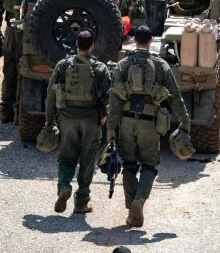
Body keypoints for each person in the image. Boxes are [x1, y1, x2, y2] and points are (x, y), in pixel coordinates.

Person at [107, 25, 191, 227]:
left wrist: (110, 128)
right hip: (149, 122)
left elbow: (115, 100)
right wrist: (185, 121)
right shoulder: (161, 65)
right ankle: (140, 200)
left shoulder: (123, 64)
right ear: (152, 40)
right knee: (149, 165)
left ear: (134, 40)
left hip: (127, 122)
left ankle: (131, 210)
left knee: (129, 165)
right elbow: (175, 96)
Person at [45, 29, 111, 214]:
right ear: (92, 46)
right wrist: (106, 116)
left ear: (76, 44)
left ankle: (64, 186)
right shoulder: (100, 68)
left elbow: (51, 94)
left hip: (67, 120)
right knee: (87, 161)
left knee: (66, 157)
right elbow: (109, 95)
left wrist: (49, 119)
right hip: (91, 120)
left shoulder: (63, 65)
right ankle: (81, 203)